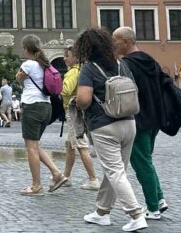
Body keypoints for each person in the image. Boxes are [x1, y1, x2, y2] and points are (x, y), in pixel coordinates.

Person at [75, 28, 146, 231]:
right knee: (116, 169)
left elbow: (83, 99)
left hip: (104, 125)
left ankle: (136, 215)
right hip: (129, 122)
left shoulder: (89, 68)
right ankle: (102, 212)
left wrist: (77, 103)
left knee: (115, 171)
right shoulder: (122, 65)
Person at [114, 26, 168, 219]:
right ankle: (159, 199)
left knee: (141, 163)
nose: (113, 44)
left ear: (125, 41)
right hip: (155, 118)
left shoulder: (125, 65)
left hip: (138, 119)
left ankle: (152, 208)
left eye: (115, 40)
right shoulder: (150, 60)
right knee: (147, 160)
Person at [16, 34, 66, 195]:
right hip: (46, 106)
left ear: (26, 48)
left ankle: (36, 186)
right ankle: (57, 174)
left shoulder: (28, 64)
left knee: (31, 147)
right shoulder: (45, 64)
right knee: (35, 145)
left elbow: (19, 79)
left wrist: (20, 77)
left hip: (32, 106)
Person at [60, 45, 99, 191]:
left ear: (75, 58)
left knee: (81, 145)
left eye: (67, 56)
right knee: (70, 145)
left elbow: (66, 90)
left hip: (73, 113)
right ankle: (66, 177)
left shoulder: (72, 72)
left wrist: (56, 88)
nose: (64, 58)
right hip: (80, 112)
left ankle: (93, 179)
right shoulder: (83, 70)